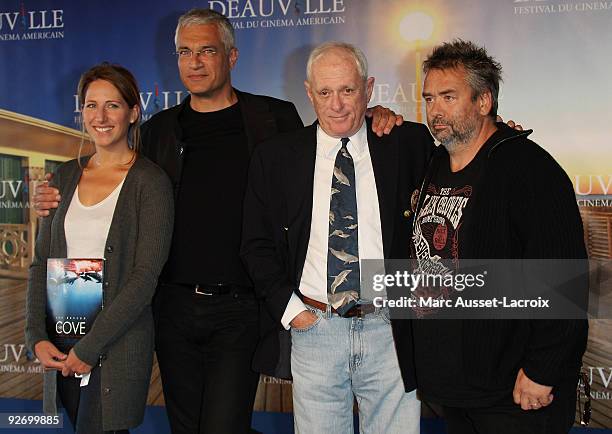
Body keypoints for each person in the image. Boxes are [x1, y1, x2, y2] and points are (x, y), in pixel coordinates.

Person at [32, 9, 403, 434]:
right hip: (173, 308)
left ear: (232, 56)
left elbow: (330, 148)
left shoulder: (273, 119)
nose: (194, 62)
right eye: (185, 52)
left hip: (243, 308)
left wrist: (376, 118)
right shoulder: (158, 131)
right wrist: (54, 197)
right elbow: (111, 183)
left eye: (207, 50)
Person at [241, 41, 433, 434]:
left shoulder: (407, 143)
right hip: (315, 330)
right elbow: (256, 244)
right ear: (309, 93)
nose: (337, 105)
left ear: (368, 88)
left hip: (390, 330)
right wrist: (293, 313)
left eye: (348, 90)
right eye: (325, 92)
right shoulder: (276, 157)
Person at [403, 40, 588, 433]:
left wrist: (543, 369)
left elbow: (566, 279)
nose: (435, 110)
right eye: (429, 98)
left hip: (516, 390)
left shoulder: (529, 169)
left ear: (484, 101)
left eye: (448, 97)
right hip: (455, 386)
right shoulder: (435, 162)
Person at [25, 63, 174, 433]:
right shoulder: (63, 176)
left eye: (113, 105)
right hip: (64, 342)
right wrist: (36, 336)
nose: (101, 117)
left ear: (133, 112)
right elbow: (41, 262)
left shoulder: (150, 183)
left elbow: (144, 278)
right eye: (91, 105)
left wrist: (89, 349)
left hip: (115, 346)